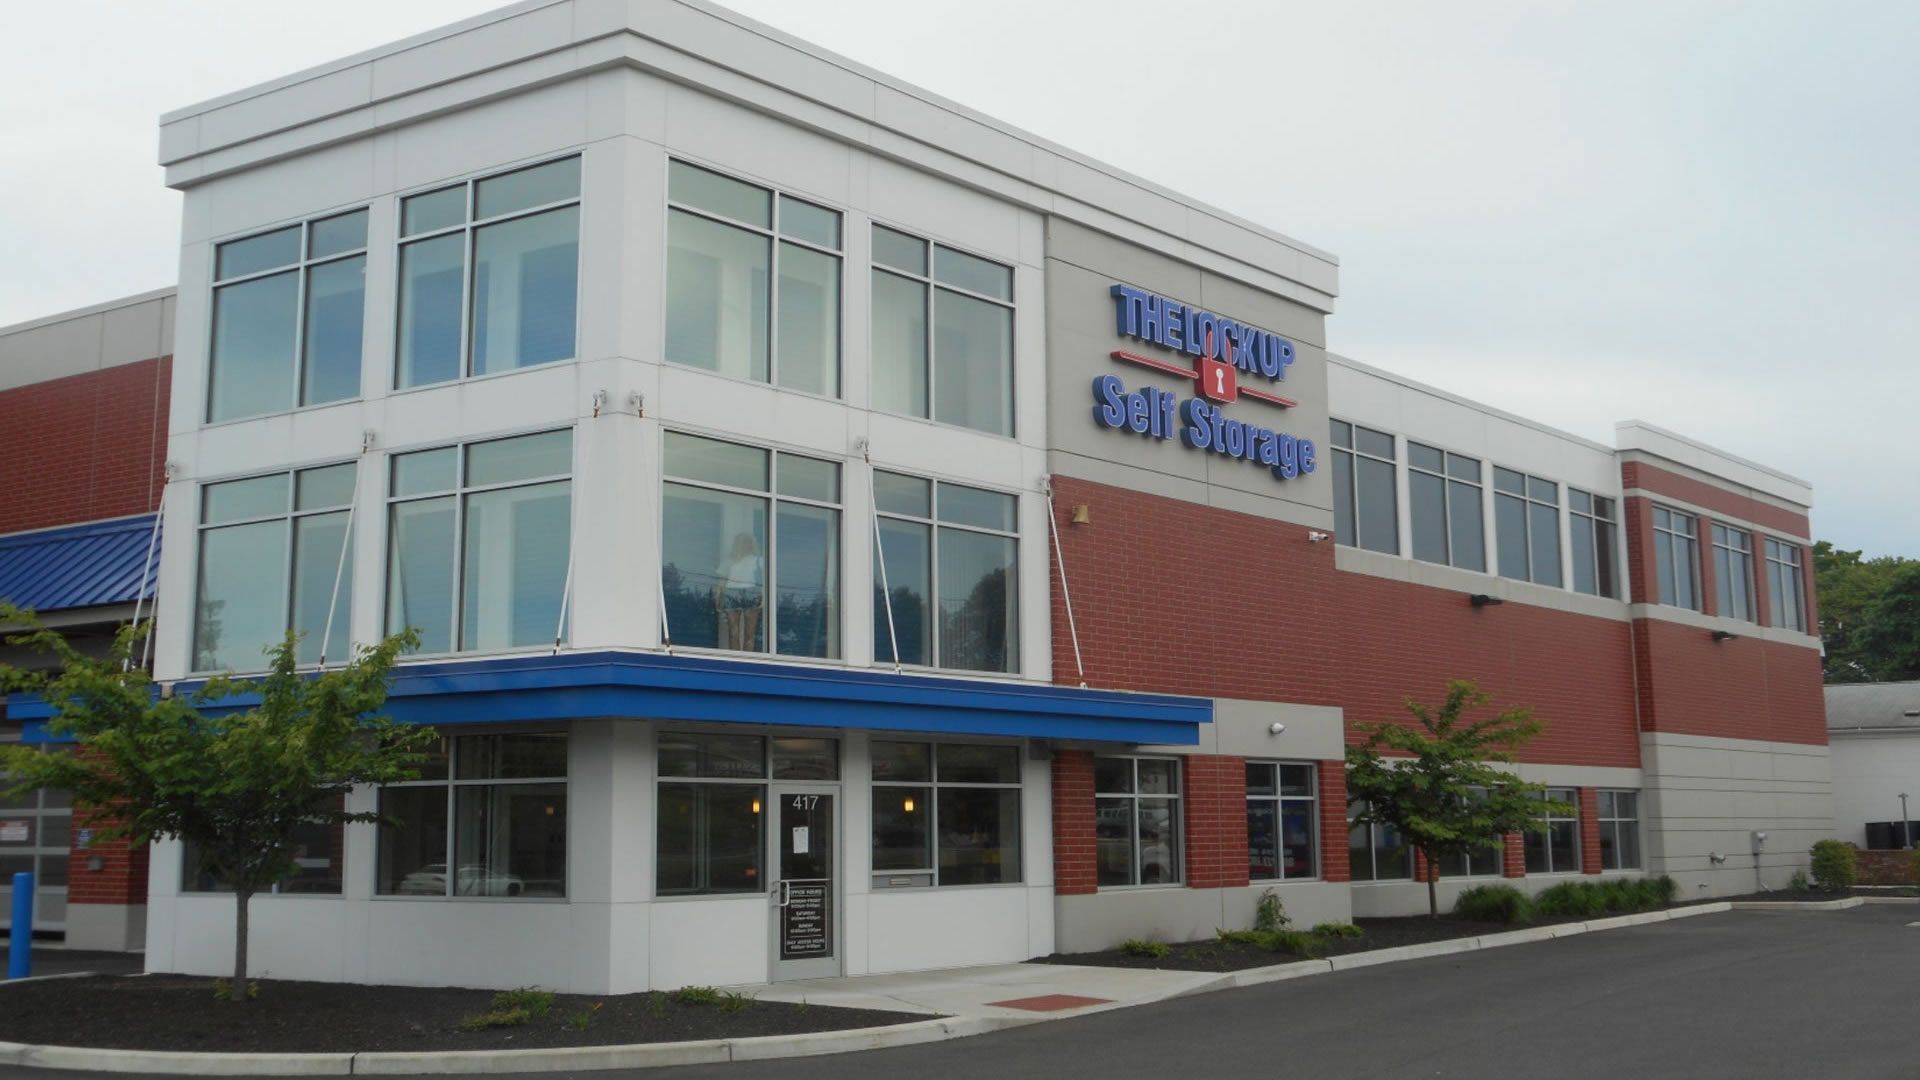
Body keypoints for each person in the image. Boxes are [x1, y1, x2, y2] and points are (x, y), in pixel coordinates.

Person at [713, 532, 763, 650]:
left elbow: (764, 582)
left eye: (745, 542)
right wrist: (718, 596)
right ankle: (736, 657)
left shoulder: (758, 560)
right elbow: (722, 581)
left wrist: (764, 597)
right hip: (731, 593)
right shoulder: (729, 561)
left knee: (750, 633)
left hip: (751, 593)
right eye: (740, 542)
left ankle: (748, 658)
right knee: (733, 631)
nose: (742, 545)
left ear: (750, 544)